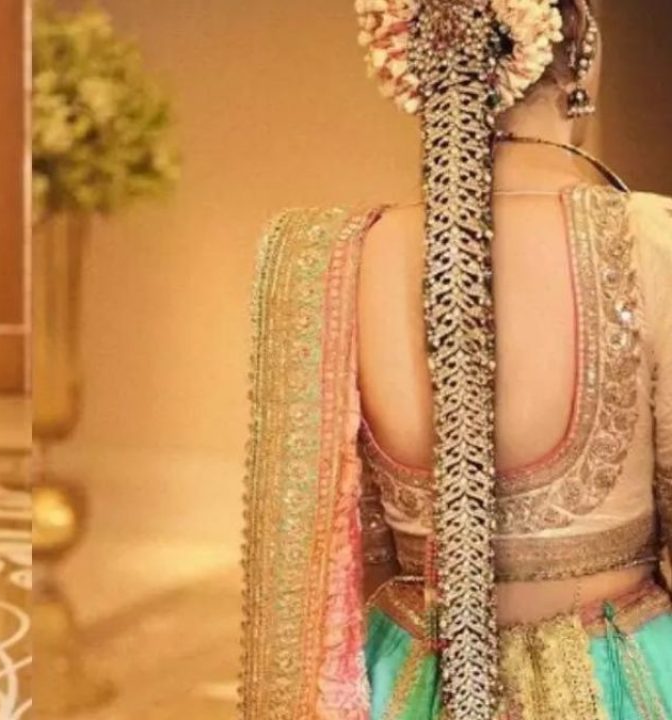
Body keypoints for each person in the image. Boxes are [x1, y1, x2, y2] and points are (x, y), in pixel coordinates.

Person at [240, 1, 672, 717]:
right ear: (580, 59)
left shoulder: (330, 258)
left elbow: (341, 556)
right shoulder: (651, 240)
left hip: (407, 679)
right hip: (621, 676)